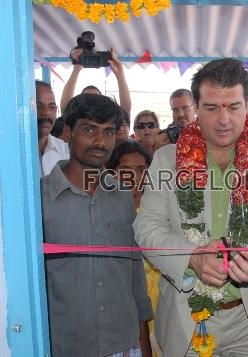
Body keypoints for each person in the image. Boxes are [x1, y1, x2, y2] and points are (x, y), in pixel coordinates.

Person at [134, 58, 248, 357]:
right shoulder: (166, 160)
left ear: (247, 106)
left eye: (234, 107)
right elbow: (147, 226)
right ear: (196, 108)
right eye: (212, 107)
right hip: (186, 316)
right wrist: (191, 258)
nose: (224, 119)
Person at [42, 93, 153, 357]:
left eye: (109, 132)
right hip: (65, 346)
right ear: (68, 132)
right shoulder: (39, 199)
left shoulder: (123, 196)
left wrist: (143, 343)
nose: (100, 141)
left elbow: (134, 272)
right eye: (89, 129)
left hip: (124, 345)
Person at [106, 141, 162, 357]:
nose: (134, 177)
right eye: (125, 171)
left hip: (161, 306)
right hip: (124, 310)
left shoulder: (161, 215)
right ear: (111, 175)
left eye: (141, 170)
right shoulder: (105, 218)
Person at [59, 48, 132, 114]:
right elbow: (65, 109)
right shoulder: (75, 122)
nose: (92, 101)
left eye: (96, 98)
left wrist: (120, 75)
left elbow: (125, 110)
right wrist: (76, 69)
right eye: (86, 98)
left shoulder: (108, 121)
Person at [36, 80, 69, 176]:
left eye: (52, 107)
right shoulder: (15, 151)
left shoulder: (65, 150)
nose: (46, 113)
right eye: (38, 106)